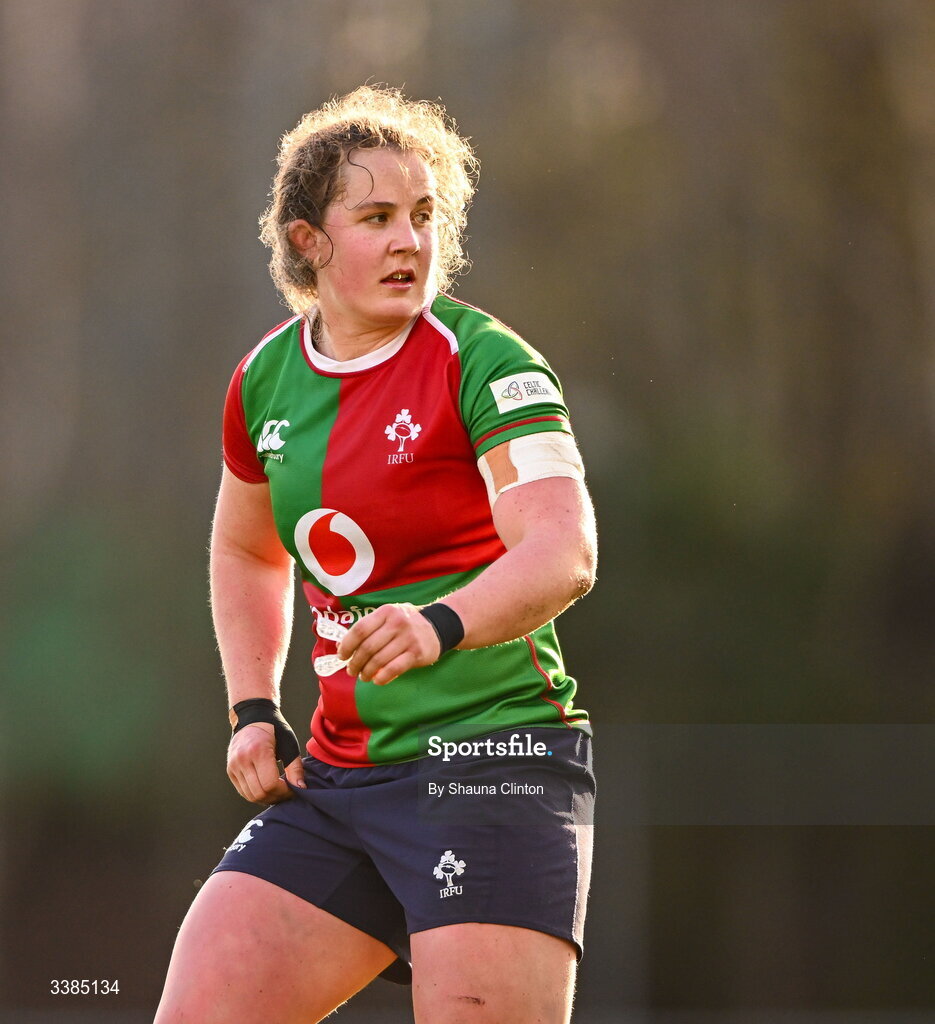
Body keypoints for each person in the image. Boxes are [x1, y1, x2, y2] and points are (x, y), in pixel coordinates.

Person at [154, 85, 597, 1024]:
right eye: (378, 218)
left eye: (427, 216)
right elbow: (245, 548)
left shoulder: (485, 363)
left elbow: (563, 550)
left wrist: (439, 625)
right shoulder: (264, 378)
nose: (412, 241)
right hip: (338, 779)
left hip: (491, 764)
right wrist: (251, 708)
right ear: (308, 240)